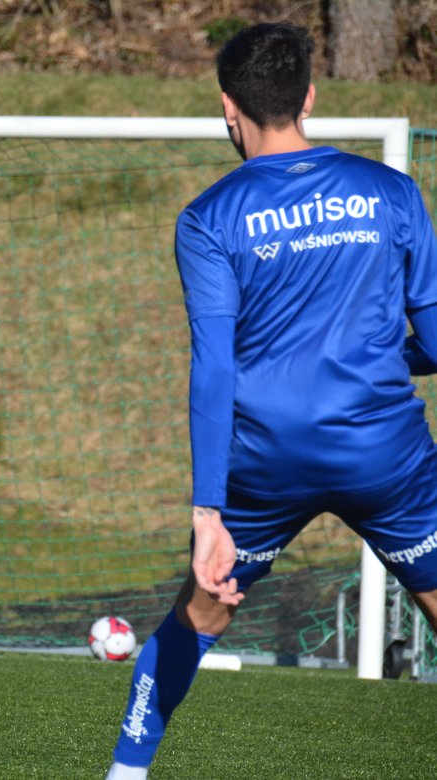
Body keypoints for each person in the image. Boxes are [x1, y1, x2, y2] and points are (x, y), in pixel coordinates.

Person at [106, 22, 437, 779]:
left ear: (229, 107)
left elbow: (214, 367)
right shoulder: (392, 192)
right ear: (309, 98)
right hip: (382, 452)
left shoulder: (208, 216)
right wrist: (384, 359)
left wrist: (208, 512)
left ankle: (126, 771)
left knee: (198, 618)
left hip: (266, 462)